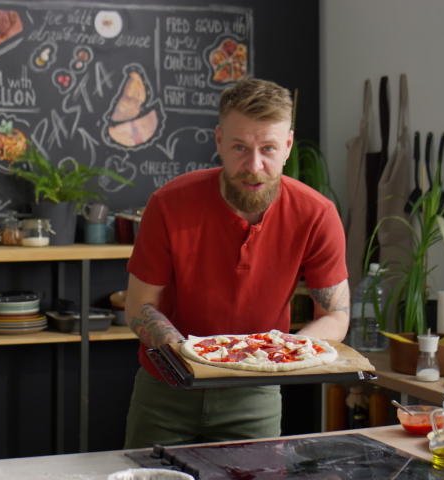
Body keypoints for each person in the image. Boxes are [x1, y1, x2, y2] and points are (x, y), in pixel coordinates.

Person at [123, 77, 349, 449]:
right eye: (240, 147)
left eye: (269, 148)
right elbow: (139, 306)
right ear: (219, 143)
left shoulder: (317, 215)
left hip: (254, 393)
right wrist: (190, 356)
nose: (254, 166)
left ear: (288, 145)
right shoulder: (168, 204)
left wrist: (282, 354)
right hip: (167, 384)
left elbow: (336, 315)